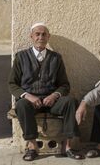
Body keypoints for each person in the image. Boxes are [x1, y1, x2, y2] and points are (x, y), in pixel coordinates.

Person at [8, 22, 83, 161]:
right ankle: (32, 146)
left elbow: (64, 85)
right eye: (37, 34)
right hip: (30, 102)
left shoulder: (56, 58)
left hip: (51, 102)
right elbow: (12, 84)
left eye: (44, 34)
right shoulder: (21, 57)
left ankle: (67, 146)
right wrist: (27, 96)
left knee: (70, 102)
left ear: (48, 37)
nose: (40, 37)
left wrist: (55, 95)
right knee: (21, 105)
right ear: (31, 36)